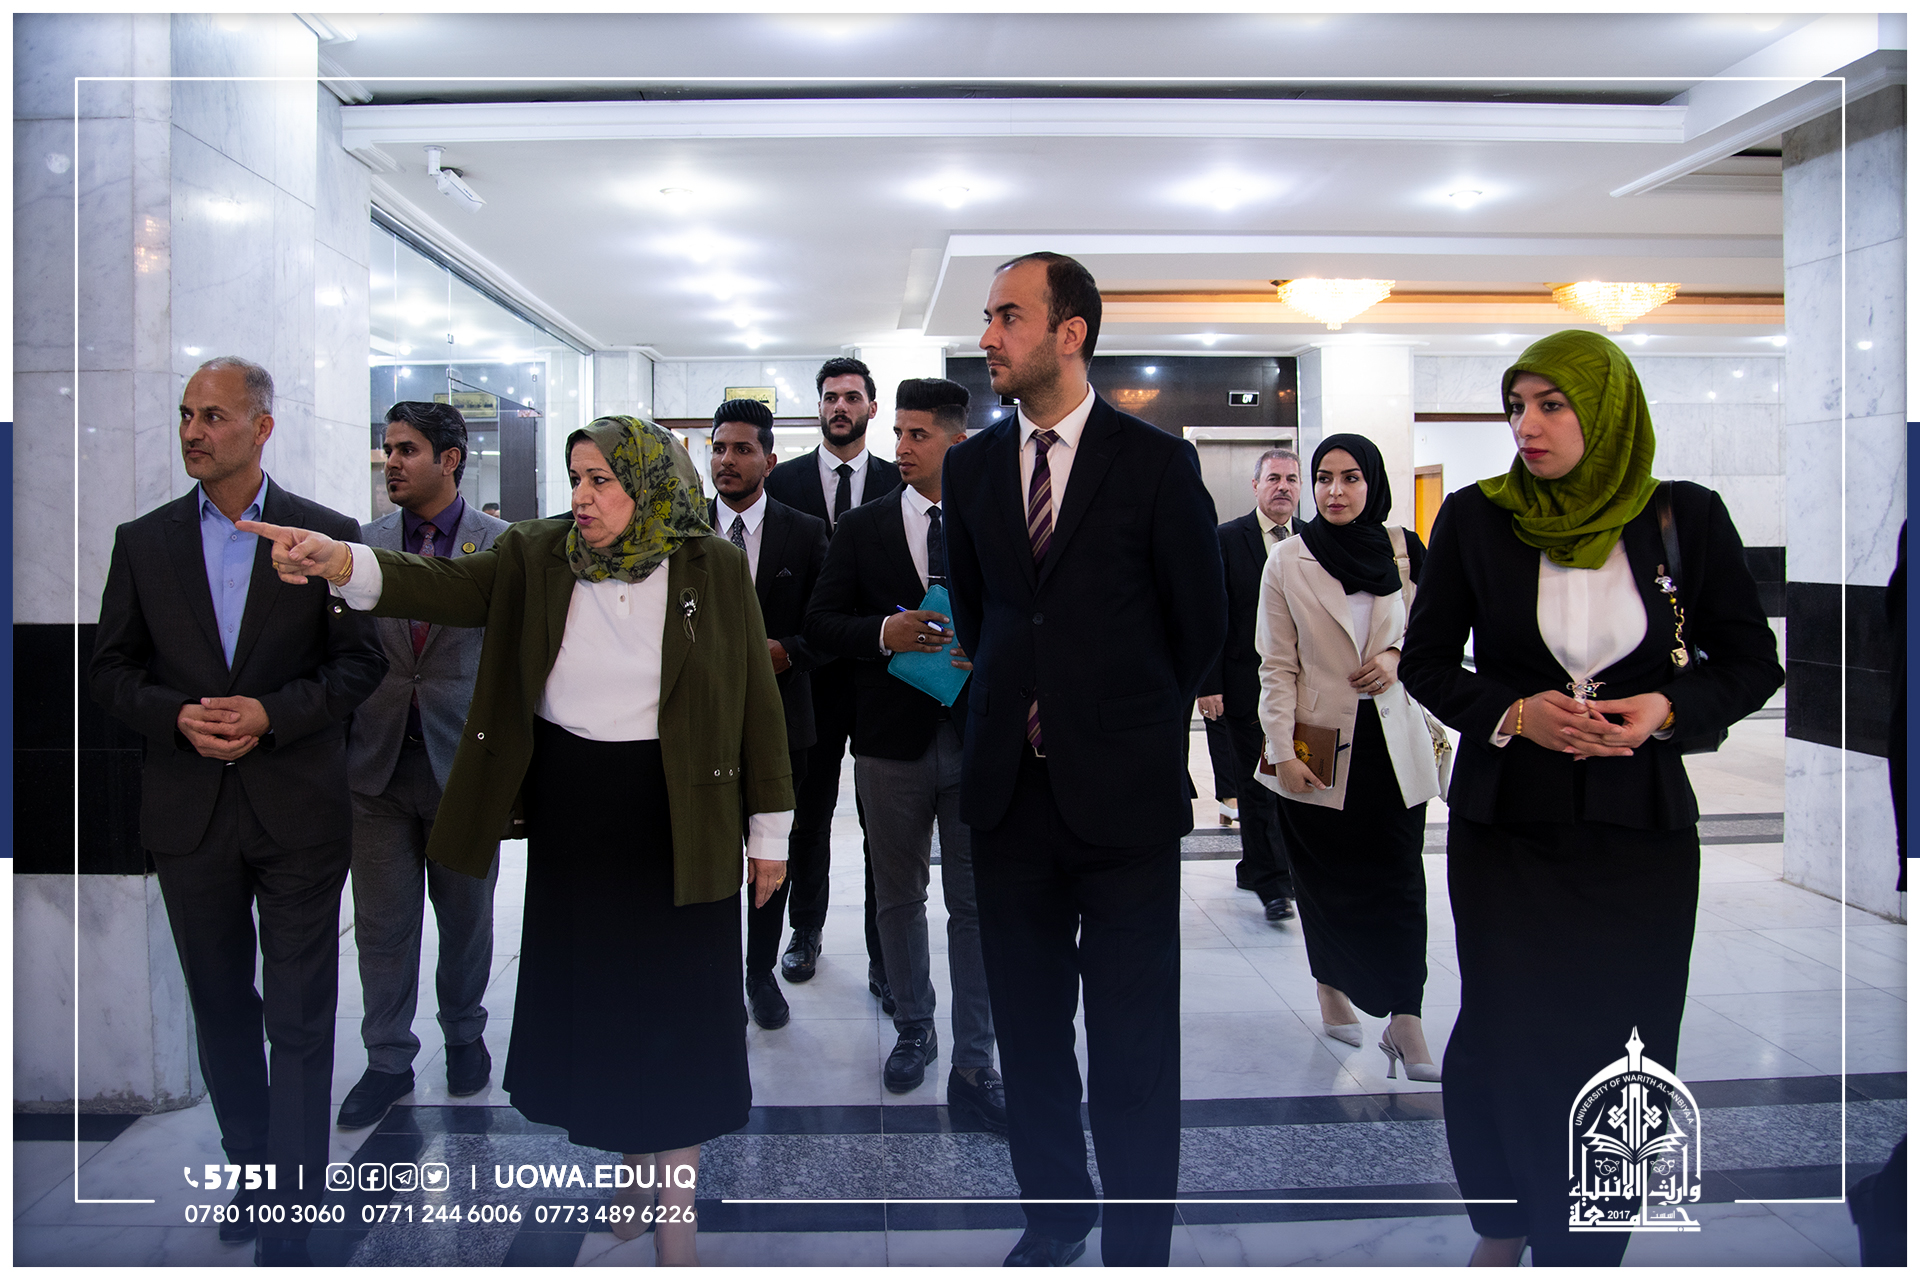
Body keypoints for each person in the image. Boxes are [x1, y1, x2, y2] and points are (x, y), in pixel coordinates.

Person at [241, 415, 793, 1266]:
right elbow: (442, 586)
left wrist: (770, 831)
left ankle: (675, 1214)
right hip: (577, 809)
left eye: (602, 480)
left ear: (647, 484)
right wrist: (340, 561)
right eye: (576, 478)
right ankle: (631, 1165)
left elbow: (755, 695)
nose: (582, 496)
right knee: (601, 1002)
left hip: (682, 812)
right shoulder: (538, 552)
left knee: (679, 1008)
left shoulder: (708, 564)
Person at [1399, 330, 1783, 1267]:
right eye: (1516, 407)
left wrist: (1666, 710)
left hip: (1640, 830)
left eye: (1552, 404)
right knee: (1505, 1029)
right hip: (1509, 828)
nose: (1527, 426)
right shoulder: (1477, 518)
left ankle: (1590, 1242)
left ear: (1606, 412)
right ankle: (1504, 1222)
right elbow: (1425, 663)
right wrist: (1513, 714)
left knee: (1629, 1037)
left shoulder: (1683, 516)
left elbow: (1750, 662)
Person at [943, 252, 1226, 1266]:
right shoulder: (973, 468)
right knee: (1028, 1031)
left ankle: (1139, 1244)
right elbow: (982, 615)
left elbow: (1200, 627)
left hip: (1124, 802)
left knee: (1134, 1041)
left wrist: (1111, 721)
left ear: (1071, 333)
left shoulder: (1155, 463)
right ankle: (1057, 1213)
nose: (989, 337)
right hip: (1008, 795)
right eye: (987, 317)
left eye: (1008, 316)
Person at [90, 357, 387, 1264]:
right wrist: (177, 715)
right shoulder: (144, 542)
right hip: (189, 816)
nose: (193, 431)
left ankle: (298, 1201)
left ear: (261, 427)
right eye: (186, 415)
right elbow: (110, 671)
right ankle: (254, 1174)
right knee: (221, 1007)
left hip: (297, 810)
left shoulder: (325, 536)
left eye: (213, 416)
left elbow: (360, 665)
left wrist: (271, 713)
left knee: (299, 1013)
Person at [804, 377, 1005, 1129]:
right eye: (898, 433)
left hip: (977, 738)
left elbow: (1026, 618)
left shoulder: (996, 522)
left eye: (918, 434)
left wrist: (990, 652)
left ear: (959, 442)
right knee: (898, 895)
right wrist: (882, 634)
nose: (902, 447)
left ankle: (977, 1056)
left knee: (975, 904)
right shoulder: (863, 527)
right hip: (890, 744)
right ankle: (914, 1027)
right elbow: (822, 623)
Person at [337, 401, 510, 1131]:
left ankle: (464, 1034)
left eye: (407, 449)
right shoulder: (360, 544)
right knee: (381, 926)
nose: (392, 463)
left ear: (450, 459)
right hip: (377, 764)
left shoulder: (501, 545)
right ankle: (387, 1059)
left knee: (466, 918)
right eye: (388, 449)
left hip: (462, 766)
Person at [1253, 434, 1442, 1079]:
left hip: (1392, 743)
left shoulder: (1403, 550)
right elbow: (1276, 665)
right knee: (1324, 879)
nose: (1336, 491)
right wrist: (1281, 751)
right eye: (1325, 477)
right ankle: (1330, 985)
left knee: (1400, 881)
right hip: (1317, 744)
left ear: (1373, 483)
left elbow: (1434, 636)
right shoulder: (1289, 559)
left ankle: (1407, 1018)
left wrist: (1395, 656)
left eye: (1352, 477)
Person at [763, 357, 900, 1008]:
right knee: (806, 818)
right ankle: (805, 931)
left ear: (871, 407)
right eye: (829, 397)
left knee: (883, 828)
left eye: (851, 397)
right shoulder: (783, 482)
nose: (839, 406)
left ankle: (884, 953)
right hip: (806, 681)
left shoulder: (900, 481)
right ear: (818, 408)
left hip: (883, 681)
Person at [708, 396, 831, 1031]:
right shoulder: (680, 530)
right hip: (699, 728)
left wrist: (789, 652)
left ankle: (760, 973)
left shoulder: (804, 532)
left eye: (742, 449)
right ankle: (710, 975)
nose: (726, 460)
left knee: (770, 850)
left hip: (783, 724)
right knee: (706, 853)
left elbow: (829, 625)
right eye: (718, 448)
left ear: (770, 460)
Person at [1199, 447, 1304, 922]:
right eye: (1274, 478)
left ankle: (1269, 868)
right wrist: (1208, 683)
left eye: (1291, 479)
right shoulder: (1225, 539)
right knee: (1258, 786)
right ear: (1256, 485)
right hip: (1246, 686)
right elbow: (1211, 614)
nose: (1283, 487)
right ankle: (1273, 883)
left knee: (1299, 784)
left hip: (1305, 691)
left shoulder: (1314, 539)